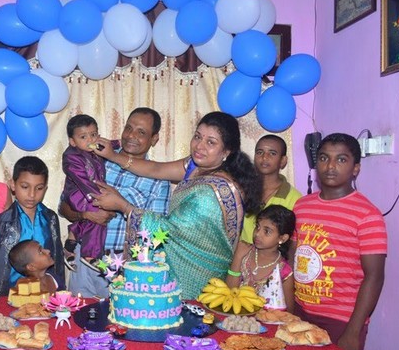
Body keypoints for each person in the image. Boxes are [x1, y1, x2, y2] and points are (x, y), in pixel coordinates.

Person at [92, 111, 262, 299]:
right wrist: (112, 156)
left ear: (226, 152)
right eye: (197, 137)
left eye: (211, 142)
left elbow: (170, 232)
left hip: (195, 283)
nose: (199, 146)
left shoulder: (208, 193)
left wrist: (123, 206)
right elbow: (155, 169)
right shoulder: (196, 167)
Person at [291, 133, 387, 350]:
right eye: (324, 158)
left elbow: (374, 277)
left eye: (341, 159)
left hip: (341, 321)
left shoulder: (367, 215)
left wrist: (353, 331)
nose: (330, 166)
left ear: (356, 169)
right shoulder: (302, 206)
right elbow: (292, 256)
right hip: (301, 312)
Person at [60, 107, 171, 298]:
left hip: (121, 267)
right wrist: (85, 215)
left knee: (118, 317)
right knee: (78, 313)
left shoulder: (159, 180)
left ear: (154, 139)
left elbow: (156, 232)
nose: (131, 135)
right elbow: (64, 207)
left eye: (141, 132)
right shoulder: (96, 156)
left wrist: (121, 204)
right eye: (129, 128)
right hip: (83, 260)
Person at [0, 156, 65, 298]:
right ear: (13, 185)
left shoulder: (51, 218)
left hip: (47, 296)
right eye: (25, 187)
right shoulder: (1, 223)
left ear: (45, 189)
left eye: (39, 188)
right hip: (12, 296)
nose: (32, 194)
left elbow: (57, 259)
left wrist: (60, 294)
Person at [61, 114, 110, 271]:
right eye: (83, 137)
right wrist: (98, 199)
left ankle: (70, 243)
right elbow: (82, 180)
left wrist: (119, 143)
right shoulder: (71, 156)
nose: (90, 140)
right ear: (72, 141)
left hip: (87, 193)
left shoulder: (95, 151)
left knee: (90, 219)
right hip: (79, 194)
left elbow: (109, 145)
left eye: (93, 134)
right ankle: (90, 254)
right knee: (99, 216)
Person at [227, 205, 296, 312]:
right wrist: (237, 258)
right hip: (233, 317)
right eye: (257, 227)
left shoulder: (284, 271)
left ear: (282, 238)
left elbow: (289, 312)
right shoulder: (244, 253)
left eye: (267, 231)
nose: (258, 234)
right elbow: (228, 293)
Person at [240, 134, 302, 244]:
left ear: (283, 161)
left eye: (272, 153)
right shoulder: (242, 189)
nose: (264, 157)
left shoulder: (295, 198)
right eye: (260, 152)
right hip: (239, 253)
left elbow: (294, 240)